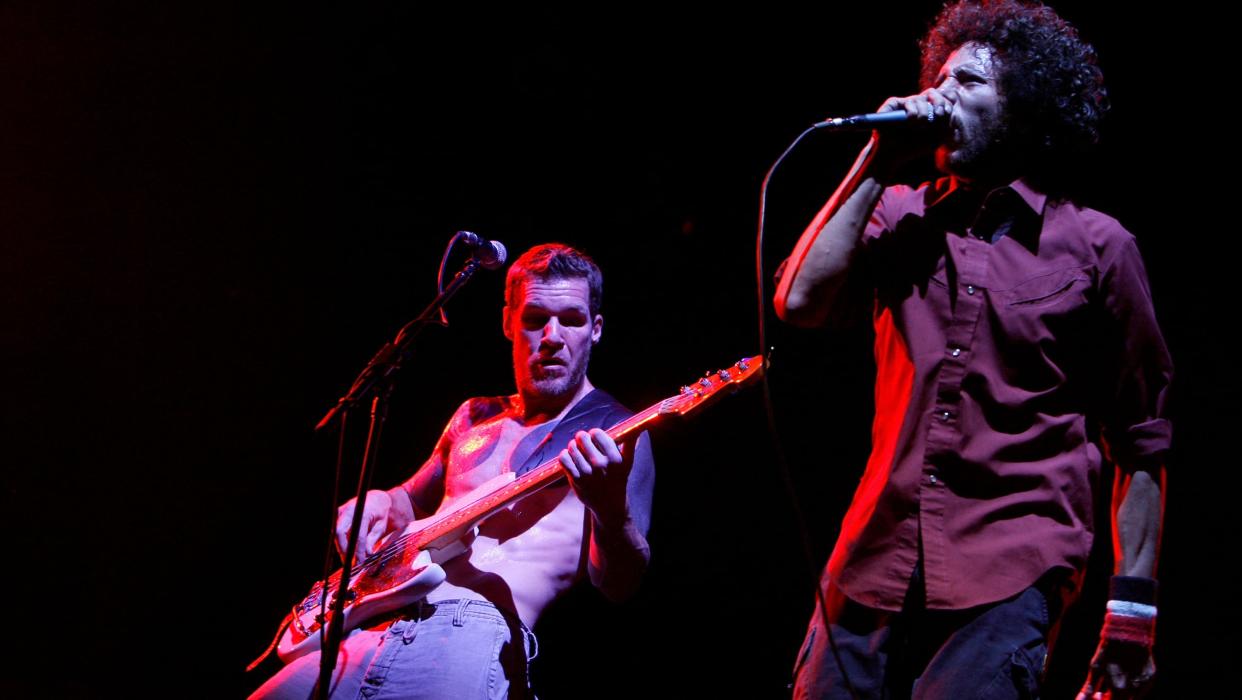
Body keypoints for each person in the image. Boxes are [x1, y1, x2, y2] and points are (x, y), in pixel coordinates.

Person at [773, 2, 1170, 697]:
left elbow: (1141, 440)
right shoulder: (898, 214)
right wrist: (876, 159)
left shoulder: (1098, 247)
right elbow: (798, 303)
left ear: (1022, 106)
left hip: (1012, 566)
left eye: (969, 83)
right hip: (873, 560)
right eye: (940, 79)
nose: (940, 98)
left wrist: (1132, 610)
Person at [252, 243, 655, 699]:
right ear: (508, 323)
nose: (553, 335)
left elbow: (621, 583)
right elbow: (410, 501)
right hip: (372, 624)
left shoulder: (619, 429)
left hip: (472, 624)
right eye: (535, 318)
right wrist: (381, 502)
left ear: (596, 329)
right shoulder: (474, 415)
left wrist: (610, 511)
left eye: (572, 319)